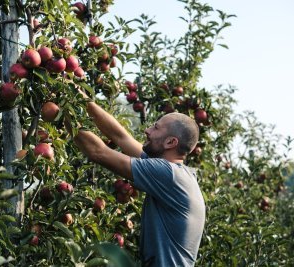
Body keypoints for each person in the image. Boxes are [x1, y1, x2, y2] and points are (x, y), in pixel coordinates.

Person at [69, 97, 206, 267]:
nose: (147, 130)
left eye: (156, 128)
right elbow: (121, 137)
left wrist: (63, 111)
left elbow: (98, 152)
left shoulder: (167, 174)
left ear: (171, 142)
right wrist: (79, 97)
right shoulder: (177, 174)